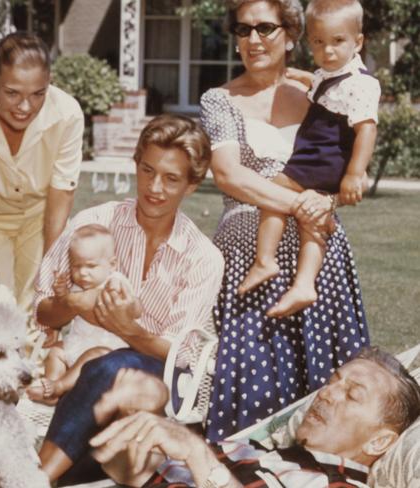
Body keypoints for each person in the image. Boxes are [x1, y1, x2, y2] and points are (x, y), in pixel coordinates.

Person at [199, 0, 370, 442]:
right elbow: (229, 175)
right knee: (252, 372)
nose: (252, 40)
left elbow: (344, 161)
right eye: (242, 30)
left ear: (292, 36)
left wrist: (331, 199)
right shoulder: (220, 100)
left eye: (265, 28)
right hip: (250, 250)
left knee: (327, 382)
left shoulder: (323, 89)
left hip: (319, 251)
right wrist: (302, 206)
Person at [33, 114, 225, 482]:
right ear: (135, 165)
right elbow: (43, 308)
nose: (154, 187)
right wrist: (71, 304)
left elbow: (180, 354)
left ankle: (34, 478)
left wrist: (127, 329)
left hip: (162, 376)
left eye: (171, 179)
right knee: (104, 371)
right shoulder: (95, 222)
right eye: (147, 170)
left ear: (191, 184)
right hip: (87, 367)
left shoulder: (202, 256)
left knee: (110, 367)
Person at [90, 347, 420, 488]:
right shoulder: (255, 451)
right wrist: (129, 417)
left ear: (379, 440)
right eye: (333, 381)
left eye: (352, 395)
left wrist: (197, 455)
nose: (327, 393)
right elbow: (126, 467)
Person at [239, 0, 380, 317]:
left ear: (358, 42)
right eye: (319, 42)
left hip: (323, 156)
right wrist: (303, 77)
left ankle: (265, 259)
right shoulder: (330, 75)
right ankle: (305, 283)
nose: (328, 51)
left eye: (337, 41)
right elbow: (321, 85)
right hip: (321, 158)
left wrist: (354, 173)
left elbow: (367, 129)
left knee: (274, 189)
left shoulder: (360, 84)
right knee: (311, 220)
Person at [0, 32, 84, 312]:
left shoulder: (68, 114)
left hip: (40, 217)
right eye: (12, 93)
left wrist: (51, 264)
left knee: (35, 313)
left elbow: (61, 193)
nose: (25, 107)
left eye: (38, 94)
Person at [26, 223, 137, 405]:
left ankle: (60, 386)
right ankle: (52, 388)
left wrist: (129, 304)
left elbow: (135, 309)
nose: (83, 273)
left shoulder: (115, 282)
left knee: (93, 355)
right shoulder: (79, 286)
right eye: (76, 266)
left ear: (112, 264)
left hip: (106, 350)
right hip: (78, 343)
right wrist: (62, 293)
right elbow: (65, 306)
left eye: (91, 266)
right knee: (56, 351)